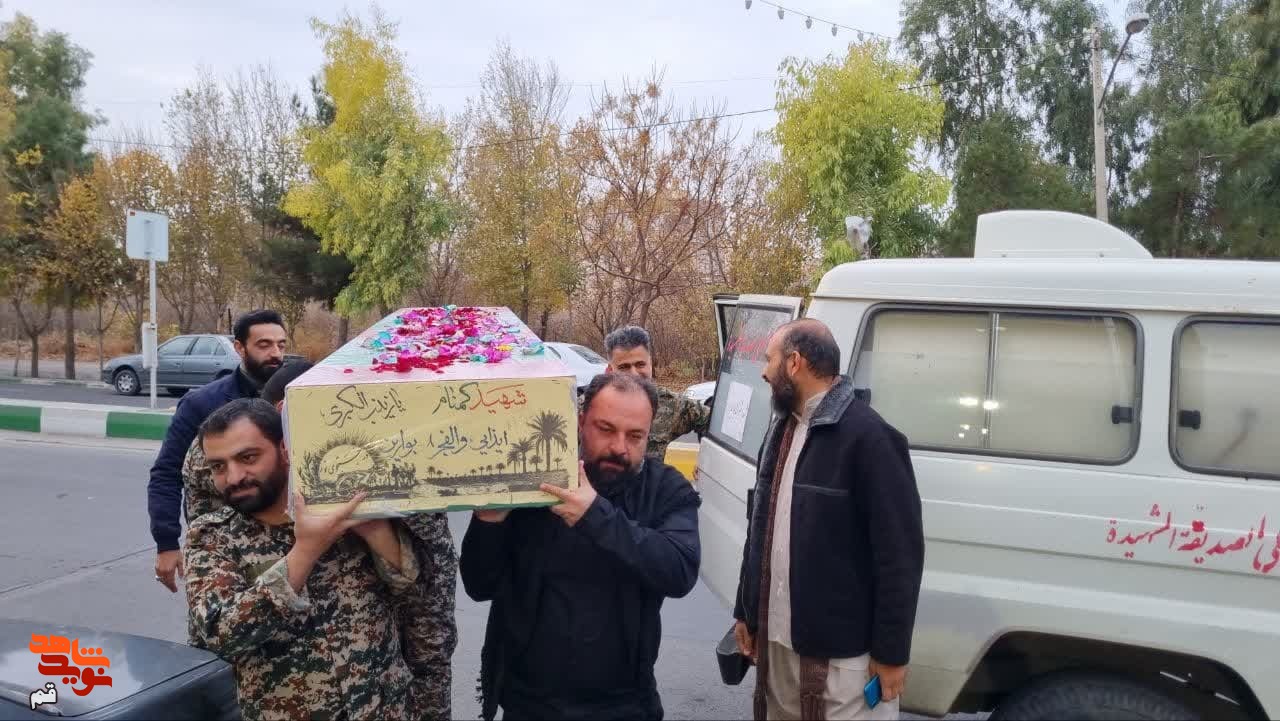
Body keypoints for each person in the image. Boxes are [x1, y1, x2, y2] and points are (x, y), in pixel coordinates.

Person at [181, 361, 460, 718]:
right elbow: (224, 636)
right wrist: (305, 551)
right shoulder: (211, 537)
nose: (234, 477)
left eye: (248, 458)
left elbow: (418, 594)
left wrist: (375, 530)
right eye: (218, 466)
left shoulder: (343, 514)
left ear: (286, 450)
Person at [461, 372, 701, 721]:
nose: (620, 447)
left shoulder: (665, 489)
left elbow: (679, 571)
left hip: (624, 704)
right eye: (606, 429)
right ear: (580, 422)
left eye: (635, 436)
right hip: (528, 703)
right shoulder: (532, 481)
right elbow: (479, 585)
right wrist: (489, 522)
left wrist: (594, 515)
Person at [732, 319, 925, 721]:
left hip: (843, 663)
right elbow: (760, 529)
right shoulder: (782, 430)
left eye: (769, 360)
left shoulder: (871, 439)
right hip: (777, 643)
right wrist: (746, 610)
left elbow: (899, 557)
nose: (764, 372)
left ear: (794, 363)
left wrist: (892, 654)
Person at [148, 310, 289, 593]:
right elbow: (166, 473)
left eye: (281, 345)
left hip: (288, 543)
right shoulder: (202, 404)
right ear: (240, 347)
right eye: (264, 345)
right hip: (225, 554)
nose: (275, 353)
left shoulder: (295, 396)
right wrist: (166, 542)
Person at [602, 325, 711, 463]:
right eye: (624, 367)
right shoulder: (589, 408)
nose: (634, 373)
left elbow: (711, 422)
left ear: (650, 364)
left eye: (640, 364)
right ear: (610, 370)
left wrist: (706, 460)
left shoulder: (671, 404)